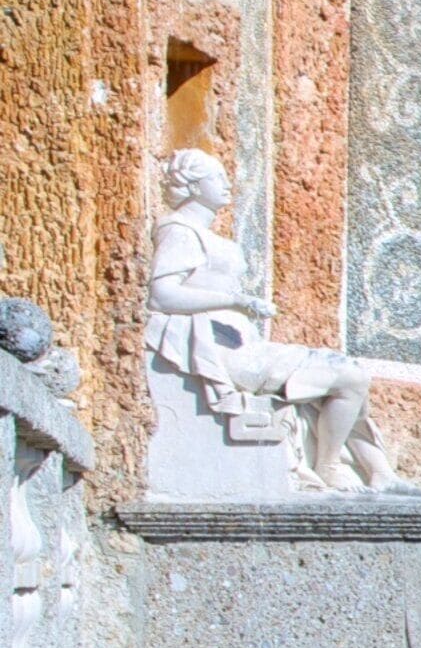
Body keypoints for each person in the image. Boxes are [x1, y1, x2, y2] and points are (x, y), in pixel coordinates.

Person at [145, 148, 400, 492]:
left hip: (241, 343)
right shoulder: (180, 231)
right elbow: (162, 295)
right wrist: (235, 301)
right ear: (192, 185)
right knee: (349, 377)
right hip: (222, 352)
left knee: (349, 370)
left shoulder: (206, 236)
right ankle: (330, 465)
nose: (226, 184)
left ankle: (379, 470)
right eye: (216, 177)